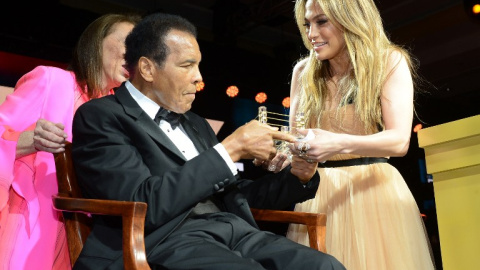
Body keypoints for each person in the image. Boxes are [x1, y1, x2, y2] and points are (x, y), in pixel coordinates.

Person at [70, 13, 345, 270]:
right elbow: (140, 203)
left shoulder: (195, 122)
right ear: (147, 68)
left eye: (198, 65)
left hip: (232, 232)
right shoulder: (101, 115)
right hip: (159, 241)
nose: (199, 77)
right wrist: (231, 149)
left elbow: (235, 197)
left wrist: (297, 177)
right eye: (187, 65)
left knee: (325, 266)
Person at [284, 0, 436, 269]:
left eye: (321, 22)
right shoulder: (303, 72)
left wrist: (337, 143)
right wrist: (280, 155)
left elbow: (399, 141)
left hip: (374, 194)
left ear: (350, 19)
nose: (311, 34)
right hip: (317, 197)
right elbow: (296, 140)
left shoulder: (388, 60)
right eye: (307, 24)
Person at [0, 13, 140, 270]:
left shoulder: (117, 112)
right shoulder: (51, 80)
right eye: (127, 44)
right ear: (97, 41)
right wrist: (27, 141)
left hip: (83, 232)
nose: (133, 57)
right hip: (30, 223)